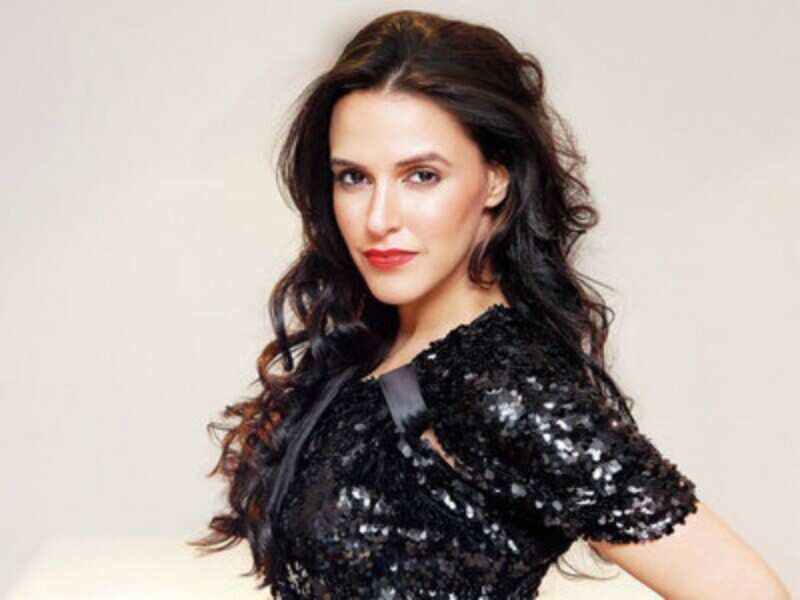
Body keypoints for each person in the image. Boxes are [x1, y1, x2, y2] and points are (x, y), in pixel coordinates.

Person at [189, 9, 790, 599]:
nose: (378, 218)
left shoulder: (500, 381)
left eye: (422, 175)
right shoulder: (374, 354)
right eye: (354, 177)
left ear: (496, 179)